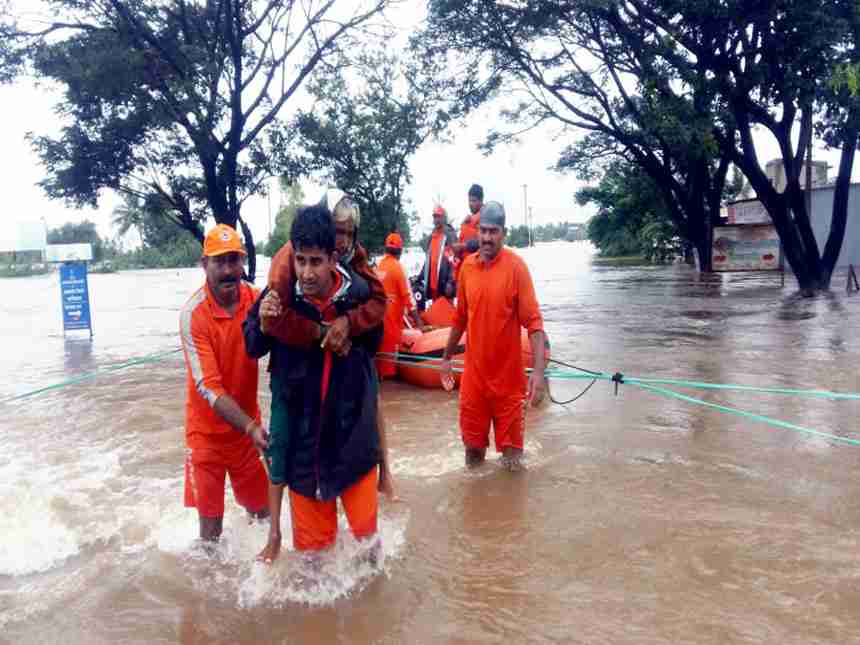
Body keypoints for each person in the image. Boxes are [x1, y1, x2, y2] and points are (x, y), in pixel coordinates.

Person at [246, 205, 383, 563]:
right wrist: (262, 322)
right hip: (305, 461)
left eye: (316, 262)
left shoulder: (360, 294)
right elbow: (251, 346)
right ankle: (276, 537)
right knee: (313, 567)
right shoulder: (278, 298)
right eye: (301, 260)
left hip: (354, 445)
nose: (307, 273)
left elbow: (376, 345)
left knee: (369, 552)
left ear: (333, 258)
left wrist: (350, 323)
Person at [262, 190, 397, 499]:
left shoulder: (355, 259)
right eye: (337, 231)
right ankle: (273, 530)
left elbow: (379, 299)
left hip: (348, 367)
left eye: (349, 234)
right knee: (282, 441)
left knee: (371, 400)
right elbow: (271, 320)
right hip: (297, 370)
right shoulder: (287, 262)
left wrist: (349, 322)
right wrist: (320, 330)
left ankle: (386, 475)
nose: (343, 240)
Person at [179, 224, 270, 543]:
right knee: (210, 532)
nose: (229, 270)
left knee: (264, 514)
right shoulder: (193, 314)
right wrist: (250, 427)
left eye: (235, 260)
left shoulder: (258, 300)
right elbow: (210, 388)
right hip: (206, 438)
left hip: (247, 433)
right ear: (205, 265)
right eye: (220, 261)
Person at [440, 201, 548, 471]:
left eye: (494, 231)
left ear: (504, 232)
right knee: (472, 464)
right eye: (484, 231)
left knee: (513, 466)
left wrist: (538, 373)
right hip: (474, 383)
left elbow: (534, 324)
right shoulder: (466, 268)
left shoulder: (516, 268)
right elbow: (459, 320)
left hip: (509, 385)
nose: (487, 238)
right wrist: (445, 357)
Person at [376, 232, 425, 379]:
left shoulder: (379, 266)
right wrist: (420, 324)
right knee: (390, 374)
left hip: (378, 324)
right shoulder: (398, 268)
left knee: (380, 369)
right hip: (392, 327)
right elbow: (409, 299)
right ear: (400, 251)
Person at [416, 205, 457, 308]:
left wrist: (450, 282)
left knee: (447, 315)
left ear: (444, 218)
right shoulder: (433, 236)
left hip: (445, 283)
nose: (436, 220)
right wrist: (420, 277)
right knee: (436, 313)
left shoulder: (449, 235)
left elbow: (455, 260)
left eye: (439, 217)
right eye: (435, 217)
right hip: (434, 283)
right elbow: (428, 260)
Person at [452, 183, 484, 280]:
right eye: (469, 200)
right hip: (465, 268)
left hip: (477, 270)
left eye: (473, 201)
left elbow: (483, 240)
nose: (470, 203)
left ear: (481, 201)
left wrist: (463, 246)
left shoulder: (485, 216)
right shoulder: (469, 219)